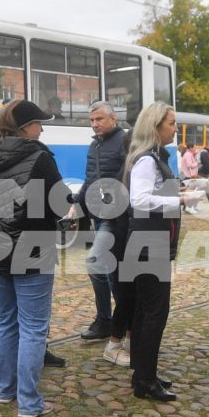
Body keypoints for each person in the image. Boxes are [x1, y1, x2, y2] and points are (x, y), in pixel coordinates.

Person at [0, 99, 69, 417]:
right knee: (34, 327)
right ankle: (29, 403)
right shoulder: (39, 157)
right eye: (39, 123)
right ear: (24, 127)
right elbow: (61, 204)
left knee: (7, 320)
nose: (42, 129)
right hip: (31, 248)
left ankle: (4, 390)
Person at [123, 102, 198, 402]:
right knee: (154, 313)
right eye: (171, 123)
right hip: (148, 244)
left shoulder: (152, 157)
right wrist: (180, 202)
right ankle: (145, 380)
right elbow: (139, 200)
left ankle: (143, 373)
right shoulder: (147, 160)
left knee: (145, 312)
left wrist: (180, 194)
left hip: (146, 243)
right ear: (155, 126)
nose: (175, 128)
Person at [80, 101, 129, 343]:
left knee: (97, 265)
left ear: (113, 119)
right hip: (98, 215)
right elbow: (90, 180)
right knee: (109, 271)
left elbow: (128, 178)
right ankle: (111, 321)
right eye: (91, 120)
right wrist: (75, 205)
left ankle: (114, 320)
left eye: (99, 119)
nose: (95, 124)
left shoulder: (125, 142)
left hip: (116, 217)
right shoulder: (94, 146)